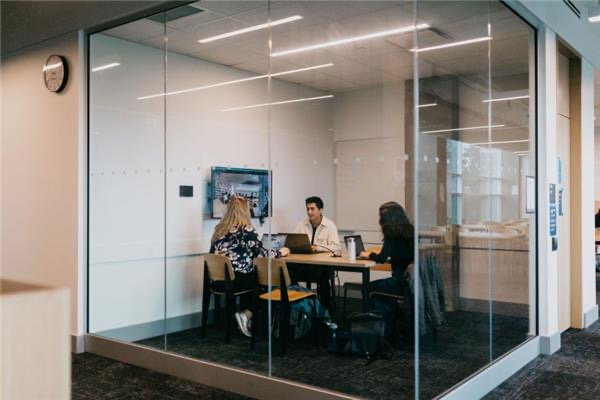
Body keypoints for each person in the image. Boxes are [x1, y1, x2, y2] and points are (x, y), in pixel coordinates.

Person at [210, 196, 290, 337]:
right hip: (236, 280)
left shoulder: (219, 230)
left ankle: (245, 317)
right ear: (245, 211)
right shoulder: (246, 230)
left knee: (252, 277)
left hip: (218, 281)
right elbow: (262, 254)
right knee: (266, 284)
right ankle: (246, 314)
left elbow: (212, 254)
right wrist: (280, 252)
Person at [359, 202, 414, 338]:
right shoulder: (409, 229)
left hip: (399, 281)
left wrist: (368, 255)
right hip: (410, 281)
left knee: (368, 288)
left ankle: (382, 325)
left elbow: (382, 258)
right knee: (380, 293)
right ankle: (392, 321)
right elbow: (403, 255)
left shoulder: (391, 232)